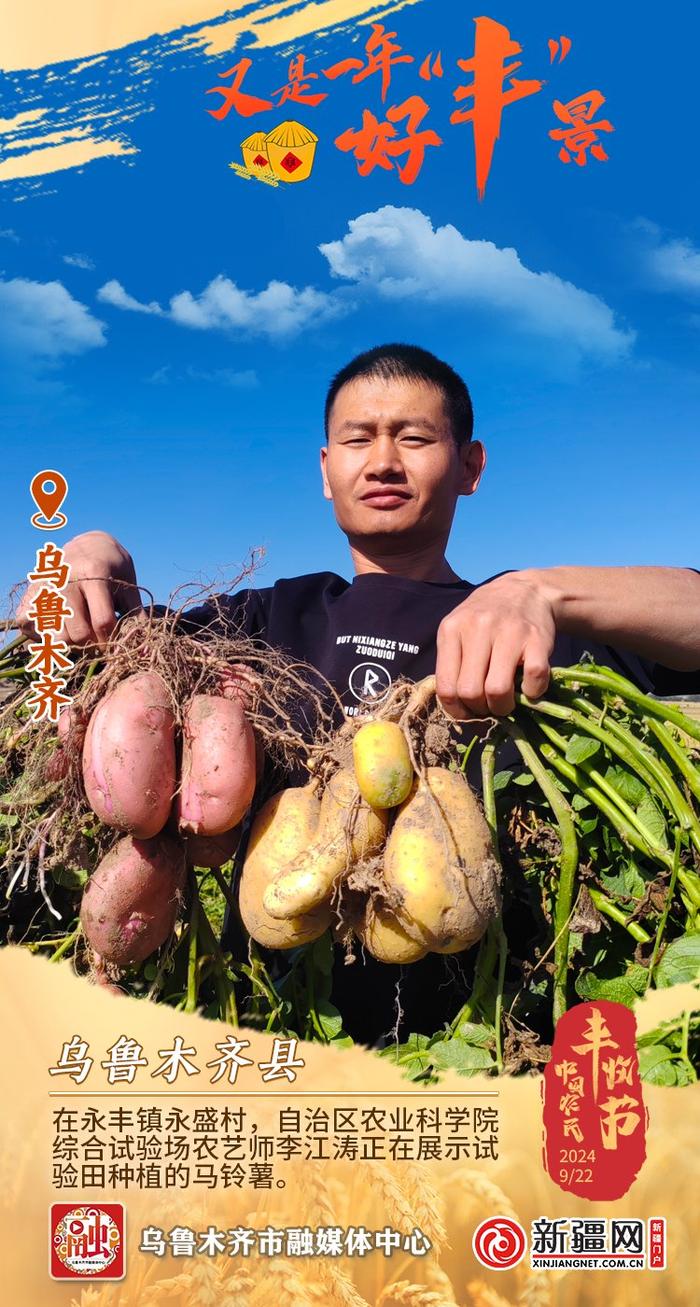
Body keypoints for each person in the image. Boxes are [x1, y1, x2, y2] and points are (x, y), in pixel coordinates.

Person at [19, 343, 700, 1045]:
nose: (382, 461)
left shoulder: (523, 626)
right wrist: (88, 556)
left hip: (495, 1046)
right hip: (275, 1037)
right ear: (325, 470)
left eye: (414, 437)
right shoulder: (262, 621)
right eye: (357, 439)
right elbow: (86, 665)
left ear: (470, 466)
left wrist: (544, 591)